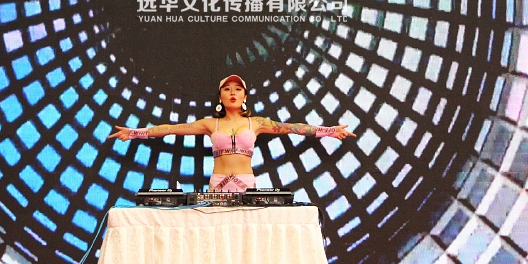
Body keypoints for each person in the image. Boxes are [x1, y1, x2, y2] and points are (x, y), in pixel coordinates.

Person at [108, 74, 355, 192]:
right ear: (220, 97)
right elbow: (171, 129)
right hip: (218, 184)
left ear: (245, 96)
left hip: (247, 184)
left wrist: (329, 131)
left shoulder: (256, 123)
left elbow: (293, 128)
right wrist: (134, 133)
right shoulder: (210, 124)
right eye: (227, 89)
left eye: (238, 89)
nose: (233, 92)